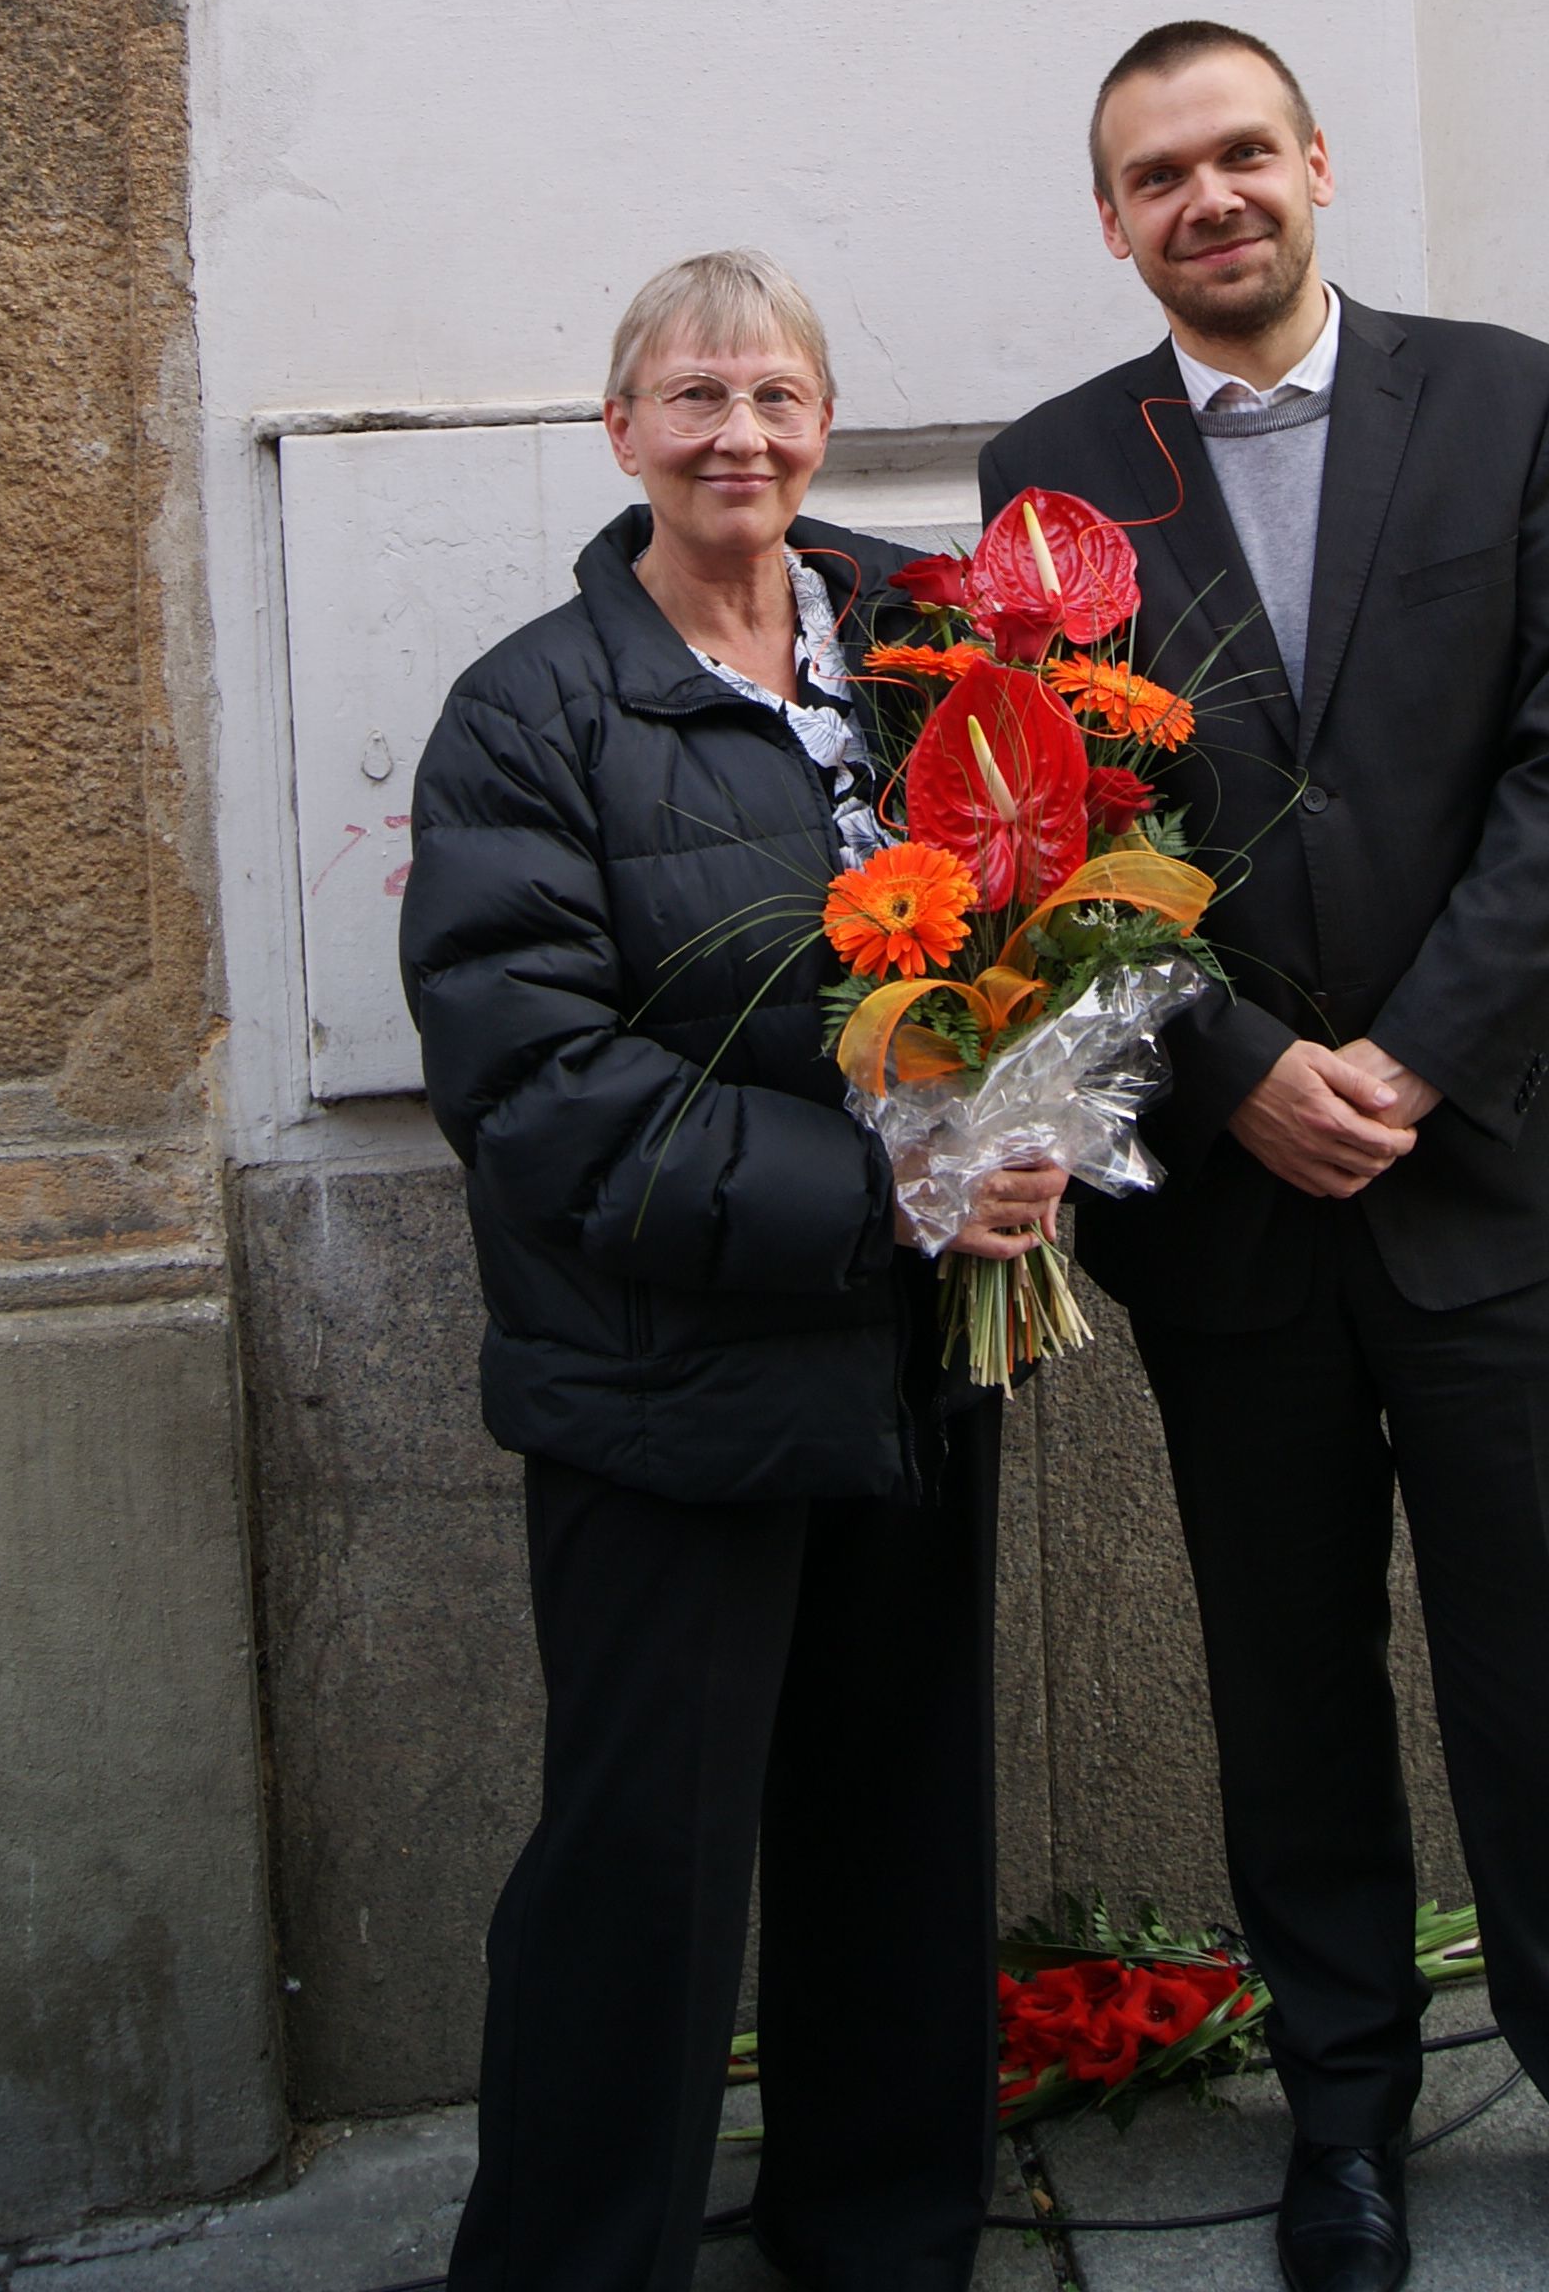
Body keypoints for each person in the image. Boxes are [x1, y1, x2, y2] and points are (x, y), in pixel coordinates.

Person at [979, 25, 1549, 2292]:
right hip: (1233, 1207)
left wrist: (1413, 1060)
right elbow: (1052, 827)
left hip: (1487, 1170)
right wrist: (1240, 1063)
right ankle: (1340, 2118)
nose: (1209, 196)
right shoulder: (1051, 475)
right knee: (1288, 1685)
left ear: (1316, 162)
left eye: (1241, 149)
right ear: (1114, 220)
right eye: (1159, 173)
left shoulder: (1508, 402)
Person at [402, 249, 1062, 2292]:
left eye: (774, 394)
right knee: (641, 1871)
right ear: (621, 430)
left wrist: (1040, 1115)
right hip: (667, 1383)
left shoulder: (915, 656)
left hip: (908, 1363)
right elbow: (536, 1089)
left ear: (823, 422)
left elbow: (1032, 905)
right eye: (692, 396)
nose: (737, 434)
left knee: (894, 1827)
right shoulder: (532, 711)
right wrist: (881, 1193)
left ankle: (882, 2235)